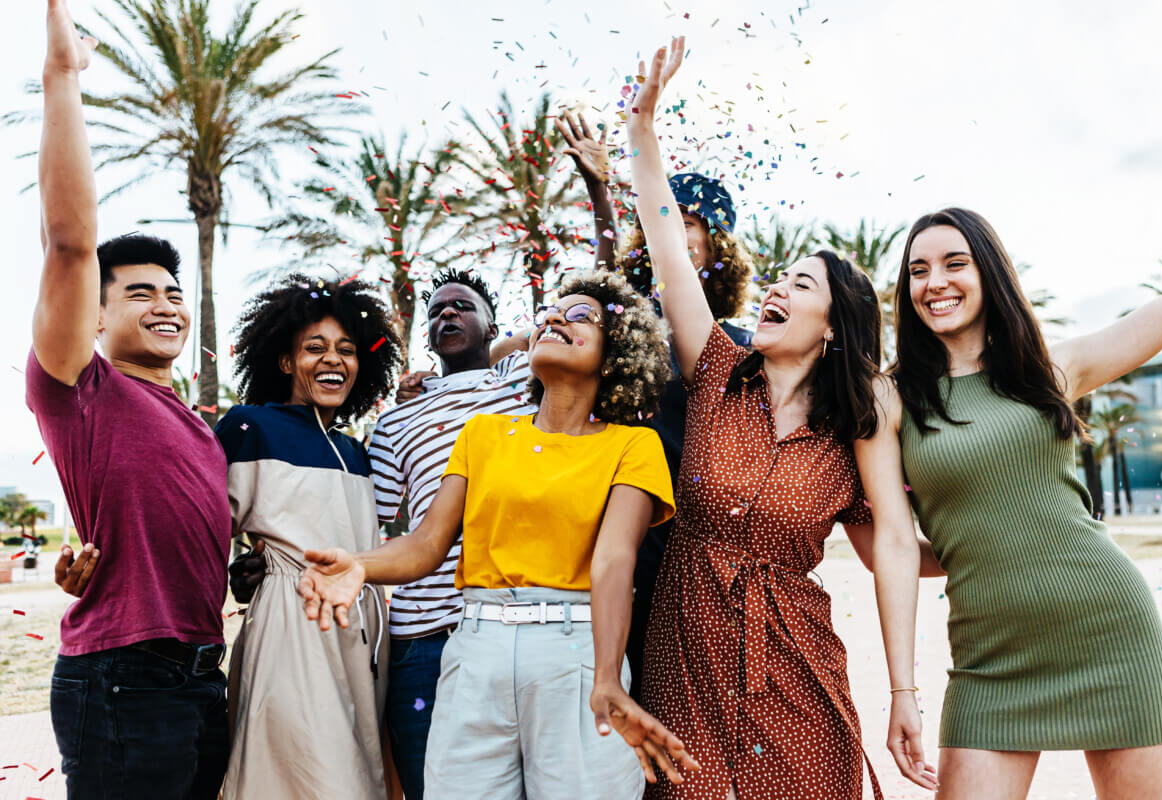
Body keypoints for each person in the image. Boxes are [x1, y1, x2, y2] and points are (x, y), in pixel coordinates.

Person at [626, 38, 946, 800]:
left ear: (832, 324)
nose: (774, 287)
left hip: (795, 658)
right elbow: (667, 239)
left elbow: (890, 549)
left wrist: (983, 557)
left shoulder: (855, 430)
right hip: (683, 655)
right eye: (777, 278)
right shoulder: (712, 367)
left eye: (798, 284)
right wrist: (643, 132)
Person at [298, 270, 700, 798]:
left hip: (574, 655)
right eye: (551, 314)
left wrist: (606, 678)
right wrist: (361, 565)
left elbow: (613, 561)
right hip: (474, 654)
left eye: (582, 316)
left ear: (614, 354)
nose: (557, 318)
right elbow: (426, 545)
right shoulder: (483, 434)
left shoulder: (633, 446)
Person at [861, 207, 1162, 800]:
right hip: (989, 666)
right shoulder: (890, 398)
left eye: (954, 263)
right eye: (918, 270)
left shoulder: (1050, 370)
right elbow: (892, 541)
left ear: (989, 273)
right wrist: (902, 692)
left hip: (1113, 636)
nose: (934, 282)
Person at [27, 2, 230, 797]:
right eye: (140, 292)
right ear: (97, 314)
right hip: (122, 678)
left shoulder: (204, 427)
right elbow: (72, 241)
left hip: (200, 675)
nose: (168, 305)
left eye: (175, 292)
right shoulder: (80, 387)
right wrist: (62, 78)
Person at [557, 111, 756, 699]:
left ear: (718, 239)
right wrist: (599, 190)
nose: (679, 234)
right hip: (617, 542)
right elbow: (601, 289)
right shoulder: (629, 329)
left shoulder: (739, 346)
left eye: (692, 222)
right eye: (667, 221)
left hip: (700, 556)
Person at [213, 275, 401, 799]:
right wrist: (247, 571)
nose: (333, 360)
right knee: (308, 775)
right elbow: (203, 529)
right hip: (294, 622)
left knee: (363, 775)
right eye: (314, 348)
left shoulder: (357, 452)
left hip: (363, 631)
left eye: (346, 350)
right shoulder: (250, 428)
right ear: (284, 362)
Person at [367, 268, 536, 799]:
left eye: (462, 306)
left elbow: (568, 320)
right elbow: (370, 514)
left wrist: (506, 344)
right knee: (430, 787)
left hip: (516, 626)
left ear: (493, 326)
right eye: (437, 310)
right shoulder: (396, 419)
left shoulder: (527, 380)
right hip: (423, 639)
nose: (447, 314)